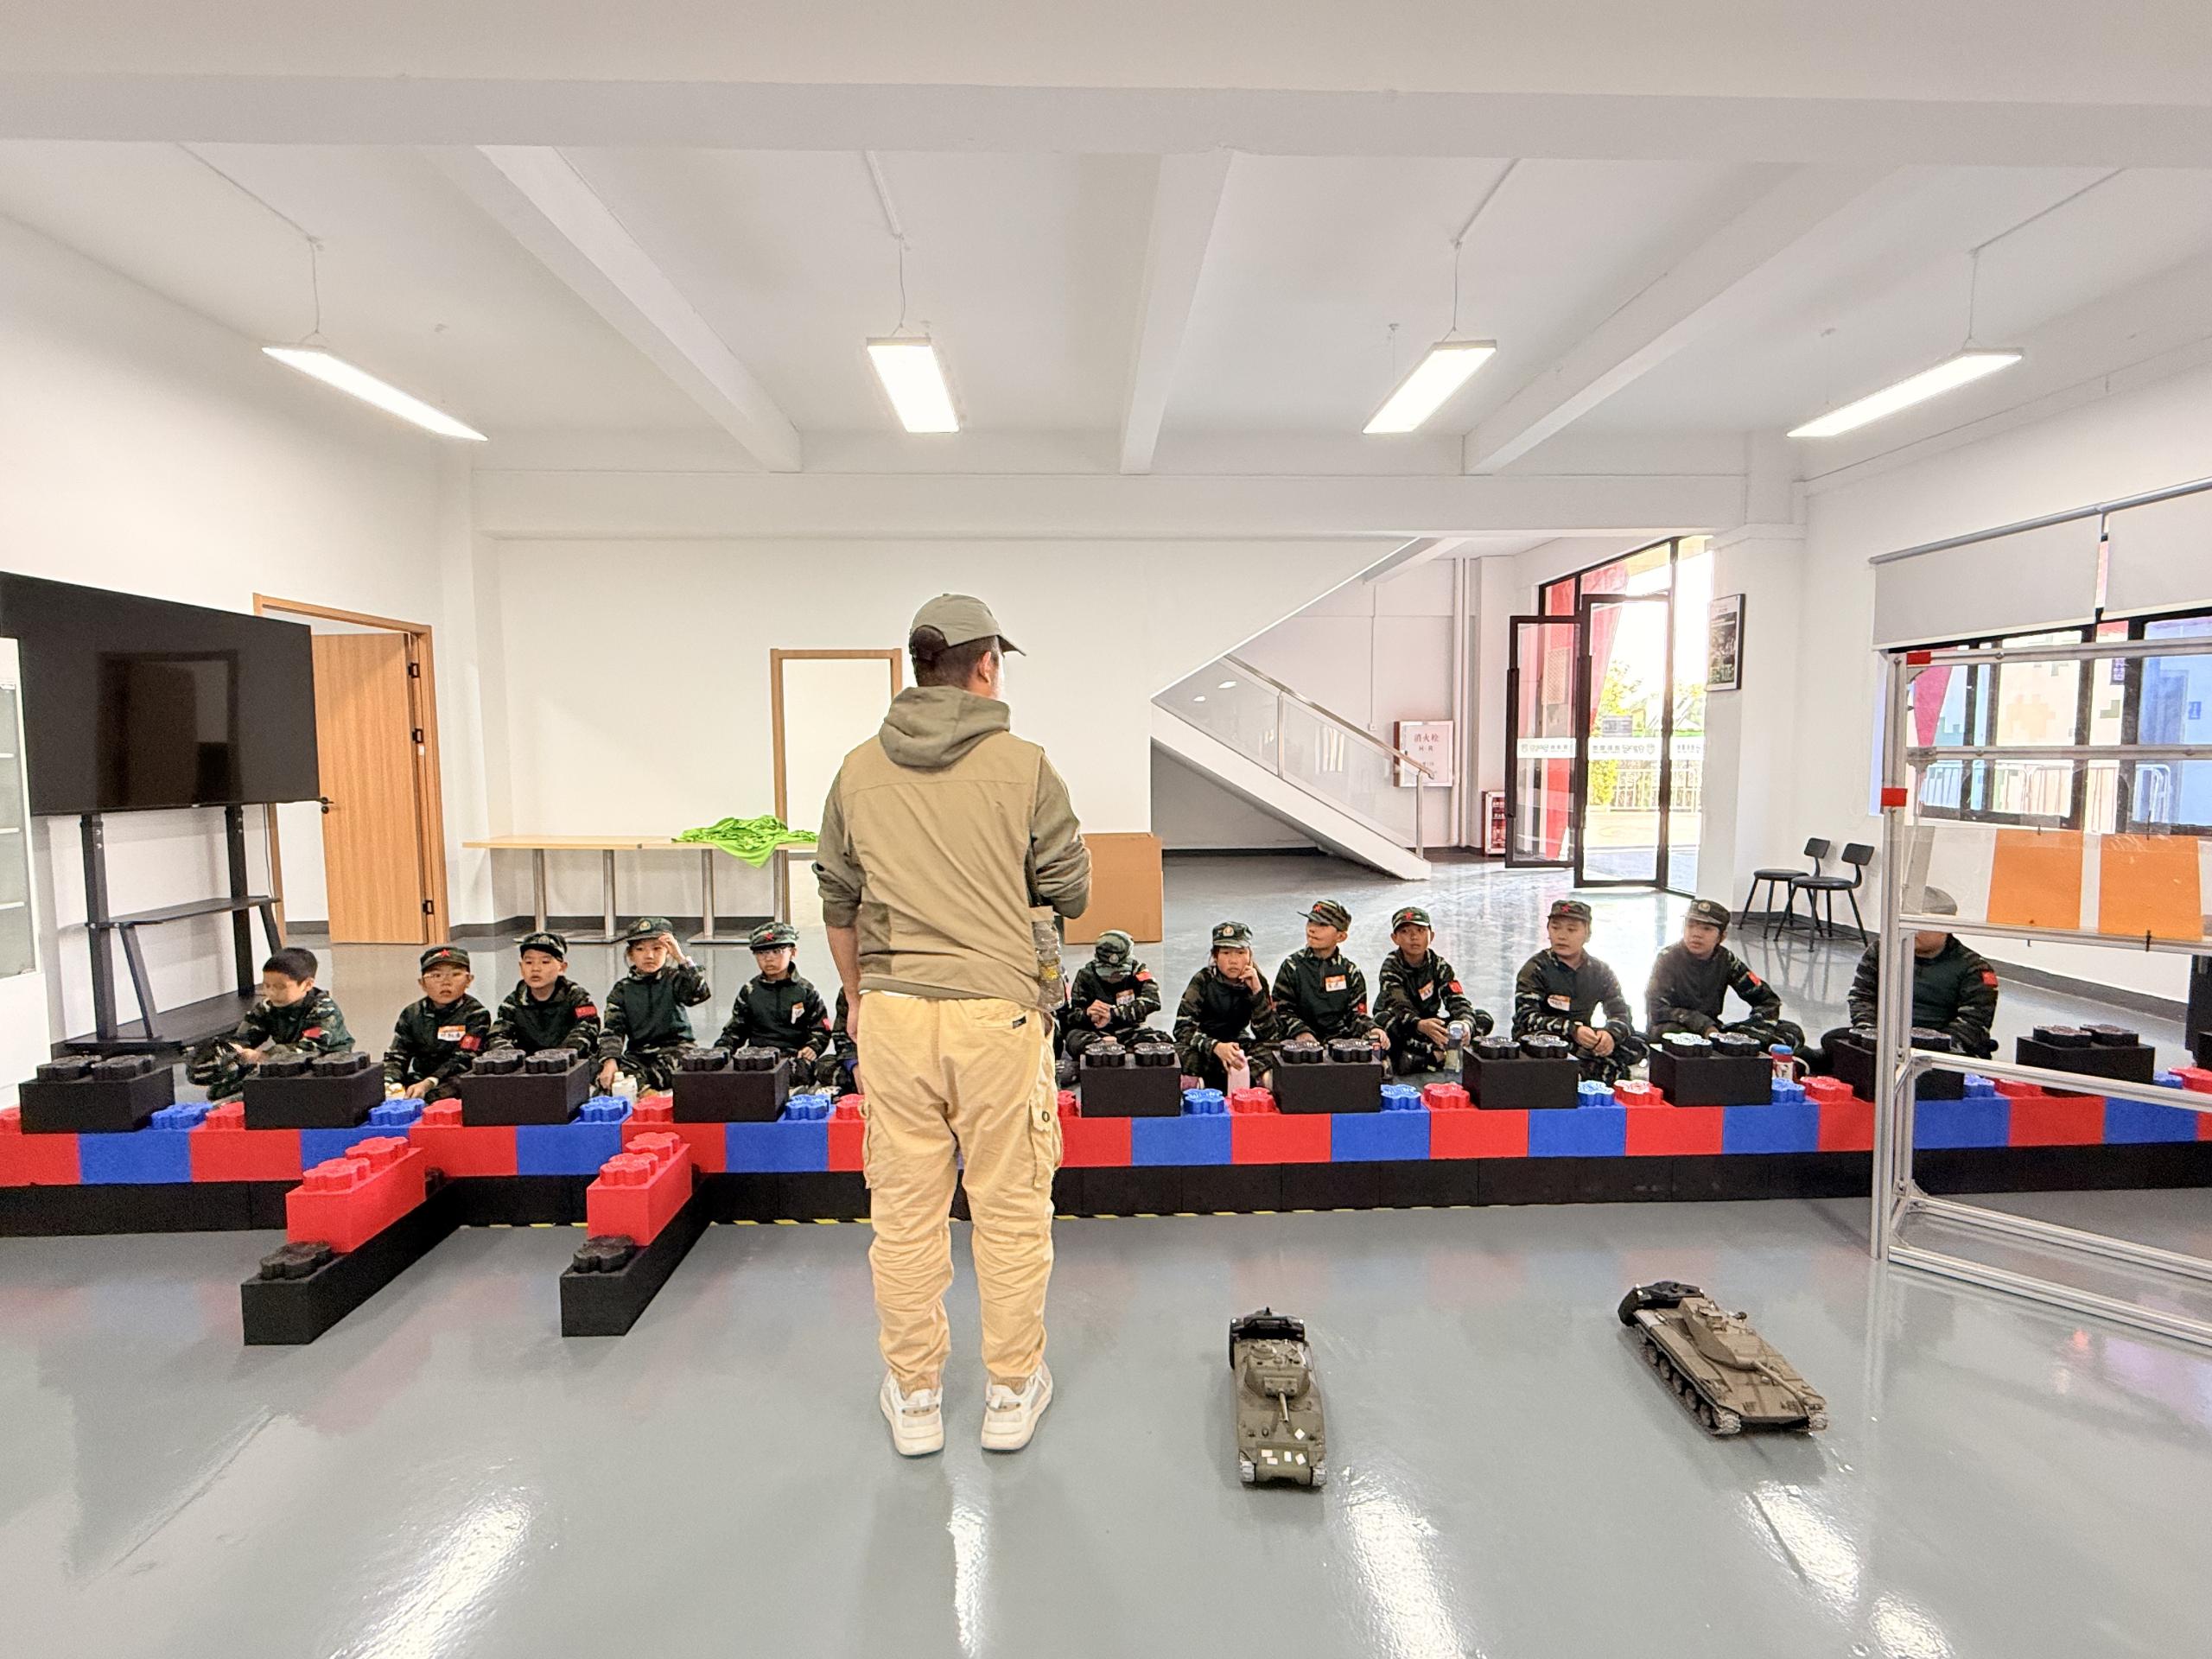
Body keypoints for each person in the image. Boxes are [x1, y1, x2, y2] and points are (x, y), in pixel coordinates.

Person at [814, 594, 1090, 1459]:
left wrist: (858, 997)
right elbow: (1071, 890)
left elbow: (837, 899)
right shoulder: (1027, 767)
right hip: (996, 1018)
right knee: (1010, 1211)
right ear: (986, 667)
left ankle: (916, 1395)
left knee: (904, 1214)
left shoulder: (857, 770)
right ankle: (1009, 1391)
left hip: (894, 1014)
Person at [1839, 886, 1999, 1058]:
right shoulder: (1883, 950)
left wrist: (1929, 1044)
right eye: (1907, 923)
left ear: (1945, 928)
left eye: (1920, 925)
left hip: (1942, 1049)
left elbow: (1973, 1023)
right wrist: (1869, 1032)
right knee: (1833, 1041)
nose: (1912, 930)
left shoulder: (1974, 968)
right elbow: (1862, 996)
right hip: (1884, 1040)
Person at [186, 946, 354, 1101]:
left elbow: (309, 1049)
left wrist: (262, 1056)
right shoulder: (267, 1007)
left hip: (326, 1065)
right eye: (266, 986)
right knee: (219, 1091)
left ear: (307, 985)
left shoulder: (323, 1009)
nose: (272, 992)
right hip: (285, 1062)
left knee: (274, 1092)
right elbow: (244, 1037)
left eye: (281, 987)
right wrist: (229, 1051)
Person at [1513, 898, 1647, 1084]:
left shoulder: (1600, 971)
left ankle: (1597, 1071)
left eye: (1571, 930)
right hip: (1546, 1038)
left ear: (1587, 934)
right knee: (1550, 1048)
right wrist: (1572, 1030)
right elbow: (1526, 1017)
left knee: (1640, 1041)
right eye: (1555, 928)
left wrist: (1610, 1034)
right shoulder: (1535, 969)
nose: (1562, 936)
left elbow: (1621, 1012)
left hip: (1585, 1039)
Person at [1645, 898, 1803, 1051]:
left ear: (1722, 937)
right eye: (1690, 926)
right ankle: (1728, 1053)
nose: (1696, 934)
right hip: (1680, 1028)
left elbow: (1768, 1000)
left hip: (1714, 1032)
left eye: (1706, 929)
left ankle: (1737, 1051)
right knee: (1676, 1035)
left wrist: (1757, 1032)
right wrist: (1703, 1025)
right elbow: (1657, 1009)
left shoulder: (1726, 960)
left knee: (1790, 1031)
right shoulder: (1668, 959)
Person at [595, 917, 712, 1096]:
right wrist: (610, 1061)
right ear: (631, 954)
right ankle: (644, 1093)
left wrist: (681, 959)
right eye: (640, 949)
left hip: (677, 1050)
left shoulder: (674, 978)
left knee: (683, 1068)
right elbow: (613, 1029)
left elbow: (699, 994)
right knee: (603, 1072)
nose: (649, 956)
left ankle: (644, 1093)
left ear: (668, 952)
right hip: (639, 1055)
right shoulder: (622, 990)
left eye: (657, 949)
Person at [715, 921, 838, 1086]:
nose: (769, 958)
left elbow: (821, 1029)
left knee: (806, 1073)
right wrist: (721, 1051)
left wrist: (813, 1047)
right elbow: (735, 1030)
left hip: (793, 1057)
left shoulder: (806, 992)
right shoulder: (750, 991)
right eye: (762, 953)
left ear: (793, 952)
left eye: (777, 951)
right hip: (756, 1058)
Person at [1174, 920, 1295, 1090]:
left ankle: (1258, 1082)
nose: (1233, 960)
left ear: (1249, 955)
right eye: (1226, 953)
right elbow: (1182, 1029)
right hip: (1206, 1044)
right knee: (1176, 1054)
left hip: (1238, 1044)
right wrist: (1215, 1047)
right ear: (1215, 956)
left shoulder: (1256, 980)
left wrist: (1257, 994)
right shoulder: (1202, 980)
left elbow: (1269, 1034)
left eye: (1240, 952)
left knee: (1278, 1050)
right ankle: (1198, 1085)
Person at [1374, 906, 1493, 1076]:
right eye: (1405, 931)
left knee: (1482, 1018)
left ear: (1431, 935)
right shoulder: (1391, 966)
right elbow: (1399, 1004)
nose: (1414, 937)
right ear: (1395, 938)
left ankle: (1431, 1055)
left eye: (1421, 930)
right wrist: (1419, 1025)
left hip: (1431, 1024)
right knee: (1384, 1023)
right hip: (1405, 1024)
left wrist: (1464, 1024)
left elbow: (1456, 999)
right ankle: (1441, 1053)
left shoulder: (1439, 965)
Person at [1271, 899, 1386, 1051]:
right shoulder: (1292, 966)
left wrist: (1372, 1028)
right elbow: (1281, 1010)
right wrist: (1301, 1032)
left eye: (1322, 925)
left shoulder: (1350, 972)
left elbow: (1356, 1015)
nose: (1312, 929)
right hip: (1298, 1043)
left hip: (1341, 1043)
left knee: (1379, 1052)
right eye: (1310, 922)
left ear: (1341, 936)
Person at [383, 944, 491, 1101]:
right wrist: (389, 1083)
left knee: (458, 1085)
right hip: (421, 1078)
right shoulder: (411, 1014)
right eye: (436, 975)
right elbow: (397, 1055)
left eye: (455, 974)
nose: (446, 982)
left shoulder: (476, 1014)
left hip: (458, 1078)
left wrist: (430, 1082)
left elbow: (465, 1057)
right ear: (422, 983)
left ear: (469, 980)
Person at [487, 931, 602, 1058]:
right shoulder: (514, 1002)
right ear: (521, 967)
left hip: (570, 1062)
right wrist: (510, 1056)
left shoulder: (577, 997)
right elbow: (497, 1035)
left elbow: (588, 1028)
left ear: (562, 968)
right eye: (529, 962)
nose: (535, 969)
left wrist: (560, 1055)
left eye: (545, 962)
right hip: (526, 1064)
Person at [1058, 930, 1164, 1062]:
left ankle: (1120, 1054)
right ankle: (1108, 1053)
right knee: (1074, 1040)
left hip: (1130, 1029)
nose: (1112, 978)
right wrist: (1087, 1014)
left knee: (1161, 1043)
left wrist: (1113, 1013)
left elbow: (1153, 1001)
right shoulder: (1086, 975)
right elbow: (1069, 1017)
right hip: (1095, 1032)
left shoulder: (1139, 972)